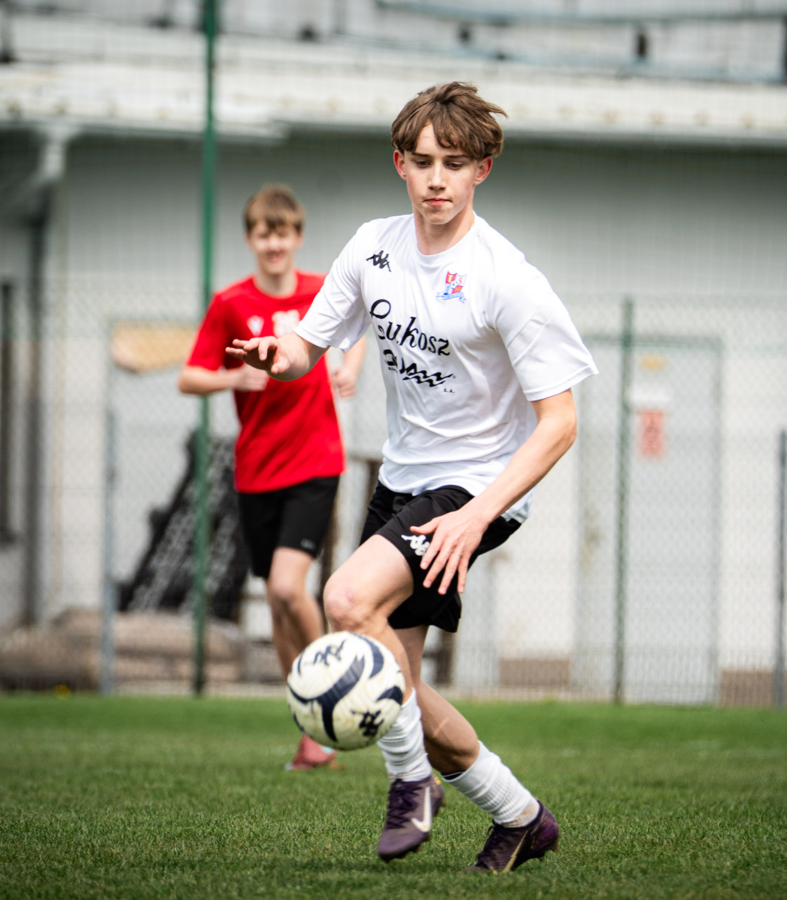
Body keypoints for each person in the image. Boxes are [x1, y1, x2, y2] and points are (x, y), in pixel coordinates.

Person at [228, 82, 597, 871]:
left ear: (481, 170)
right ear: (399, 162)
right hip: (404, 482)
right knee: (399, 684)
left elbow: (561, 422)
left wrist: (476, 514)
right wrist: (276, 355)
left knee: (343, 600)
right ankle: (521, 817)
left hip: (476, 488)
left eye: (454, 164)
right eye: (423, 161)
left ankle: (411, 784)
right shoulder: (373, 248)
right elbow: (305, 348)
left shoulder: (507, 278)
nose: (436, 179)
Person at [179, 184, 367, 772]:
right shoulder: (231, 303)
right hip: (257, 469)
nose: (274, 244)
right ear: (251, 239)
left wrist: (349, 365)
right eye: (264, 234)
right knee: (278, 606)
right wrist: (233, 378)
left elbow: (362, 325)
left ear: (298, 237)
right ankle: (313, 732)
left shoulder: (320, 291)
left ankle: (342, 678)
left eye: (283, 233)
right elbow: (190, 376)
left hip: (316, 461)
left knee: (288, 588)